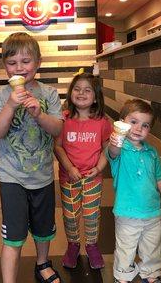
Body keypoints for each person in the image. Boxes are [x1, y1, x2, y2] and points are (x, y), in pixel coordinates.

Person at [0, 32, 63, 283]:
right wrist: (10, 105)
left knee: (43, 228)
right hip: (12, 176)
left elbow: (57, 130)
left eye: (26, 61)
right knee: (13, 233)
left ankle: (42, 264)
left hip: (41, 174)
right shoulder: (0, 96)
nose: (19, 67)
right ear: (4, 66)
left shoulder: (49, 94)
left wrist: (39, 115)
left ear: (38, 62)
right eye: (12, 62)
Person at [106, 99, 161, 283]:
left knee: (152, 246)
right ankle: (123, 275)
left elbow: (159, 177)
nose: (138, 128)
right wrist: (116, 138)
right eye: (133, 121)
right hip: (127, 212)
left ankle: (151, 273)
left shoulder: (151, 152)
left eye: (145, 125)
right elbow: (113, 151)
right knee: (126, 247)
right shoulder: (120, 149)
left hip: (152, 211)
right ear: (121, 121)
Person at [54, 72, 112, 269]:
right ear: (70, 93)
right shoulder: (63, 119)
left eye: (87, 90)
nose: (81, 93)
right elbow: (58, 146)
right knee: (70, 215)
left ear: (95, 97)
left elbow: (106, 148)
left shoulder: (102, 121)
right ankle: (73, 245)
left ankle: (92, 246)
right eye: (77, 89)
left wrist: (98, 168)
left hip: (92, 178)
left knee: (91, 214)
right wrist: (69, 167)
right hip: (68, 178)